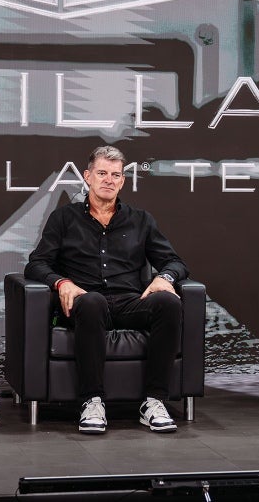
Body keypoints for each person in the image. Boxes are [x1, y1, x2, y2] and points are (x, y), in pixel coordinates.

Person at [25, 145, 188, 434]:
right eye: (102, 173)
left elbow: (174, 261)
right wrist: (61, 283)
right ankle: (92, 401)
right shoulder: (64, 219)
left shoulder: (141, 220)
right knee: (92, 301)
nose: (109, 180)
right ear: (88, 176)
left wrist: (165, 276)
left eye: (116, 175)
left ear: (123, 181)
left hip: (129, 302)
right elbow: (36, 264)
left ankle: (153, 402)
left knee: (169, 303)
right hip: (85, 305)